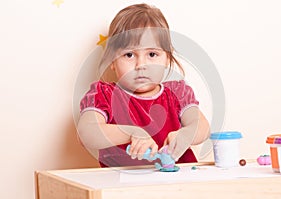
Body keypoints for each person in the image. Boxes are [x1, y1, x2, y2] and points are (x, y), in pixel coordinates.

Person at [77, 3, 210, 167]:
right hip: (123, 188)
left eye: (152, 54)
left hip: (178, 185)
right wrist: (132, 133)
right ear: (112, 60)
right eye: (129, 54)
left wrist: (187, 133)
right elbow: (86, 133)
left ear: (167, 58)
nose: (141, 65)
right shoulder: (103, 94)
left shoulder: (177, 92)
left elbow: (202, 127)